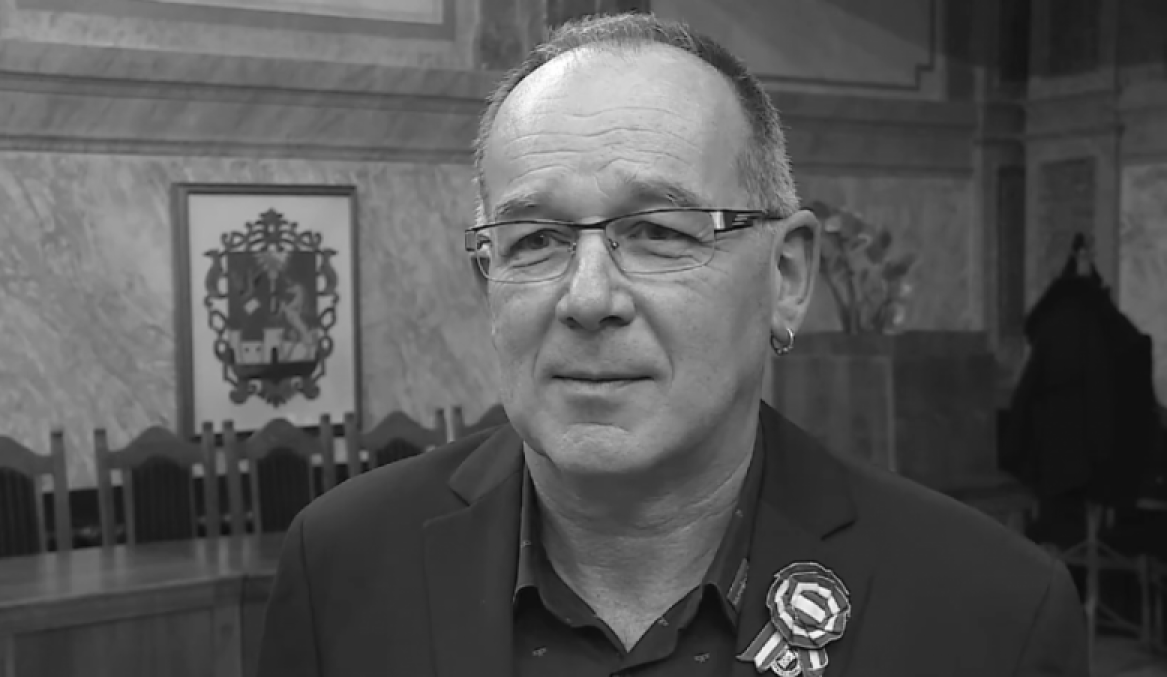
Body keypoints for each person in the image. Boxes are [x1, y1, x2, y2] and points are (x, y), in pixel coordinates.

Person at [257, 13, 1087, 677]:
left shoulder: (989, 610)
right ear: (488, 280)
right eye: (535, 240)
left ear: (786, 276)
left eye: (658, 231)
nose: (587, 298)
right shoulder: (342, 564)